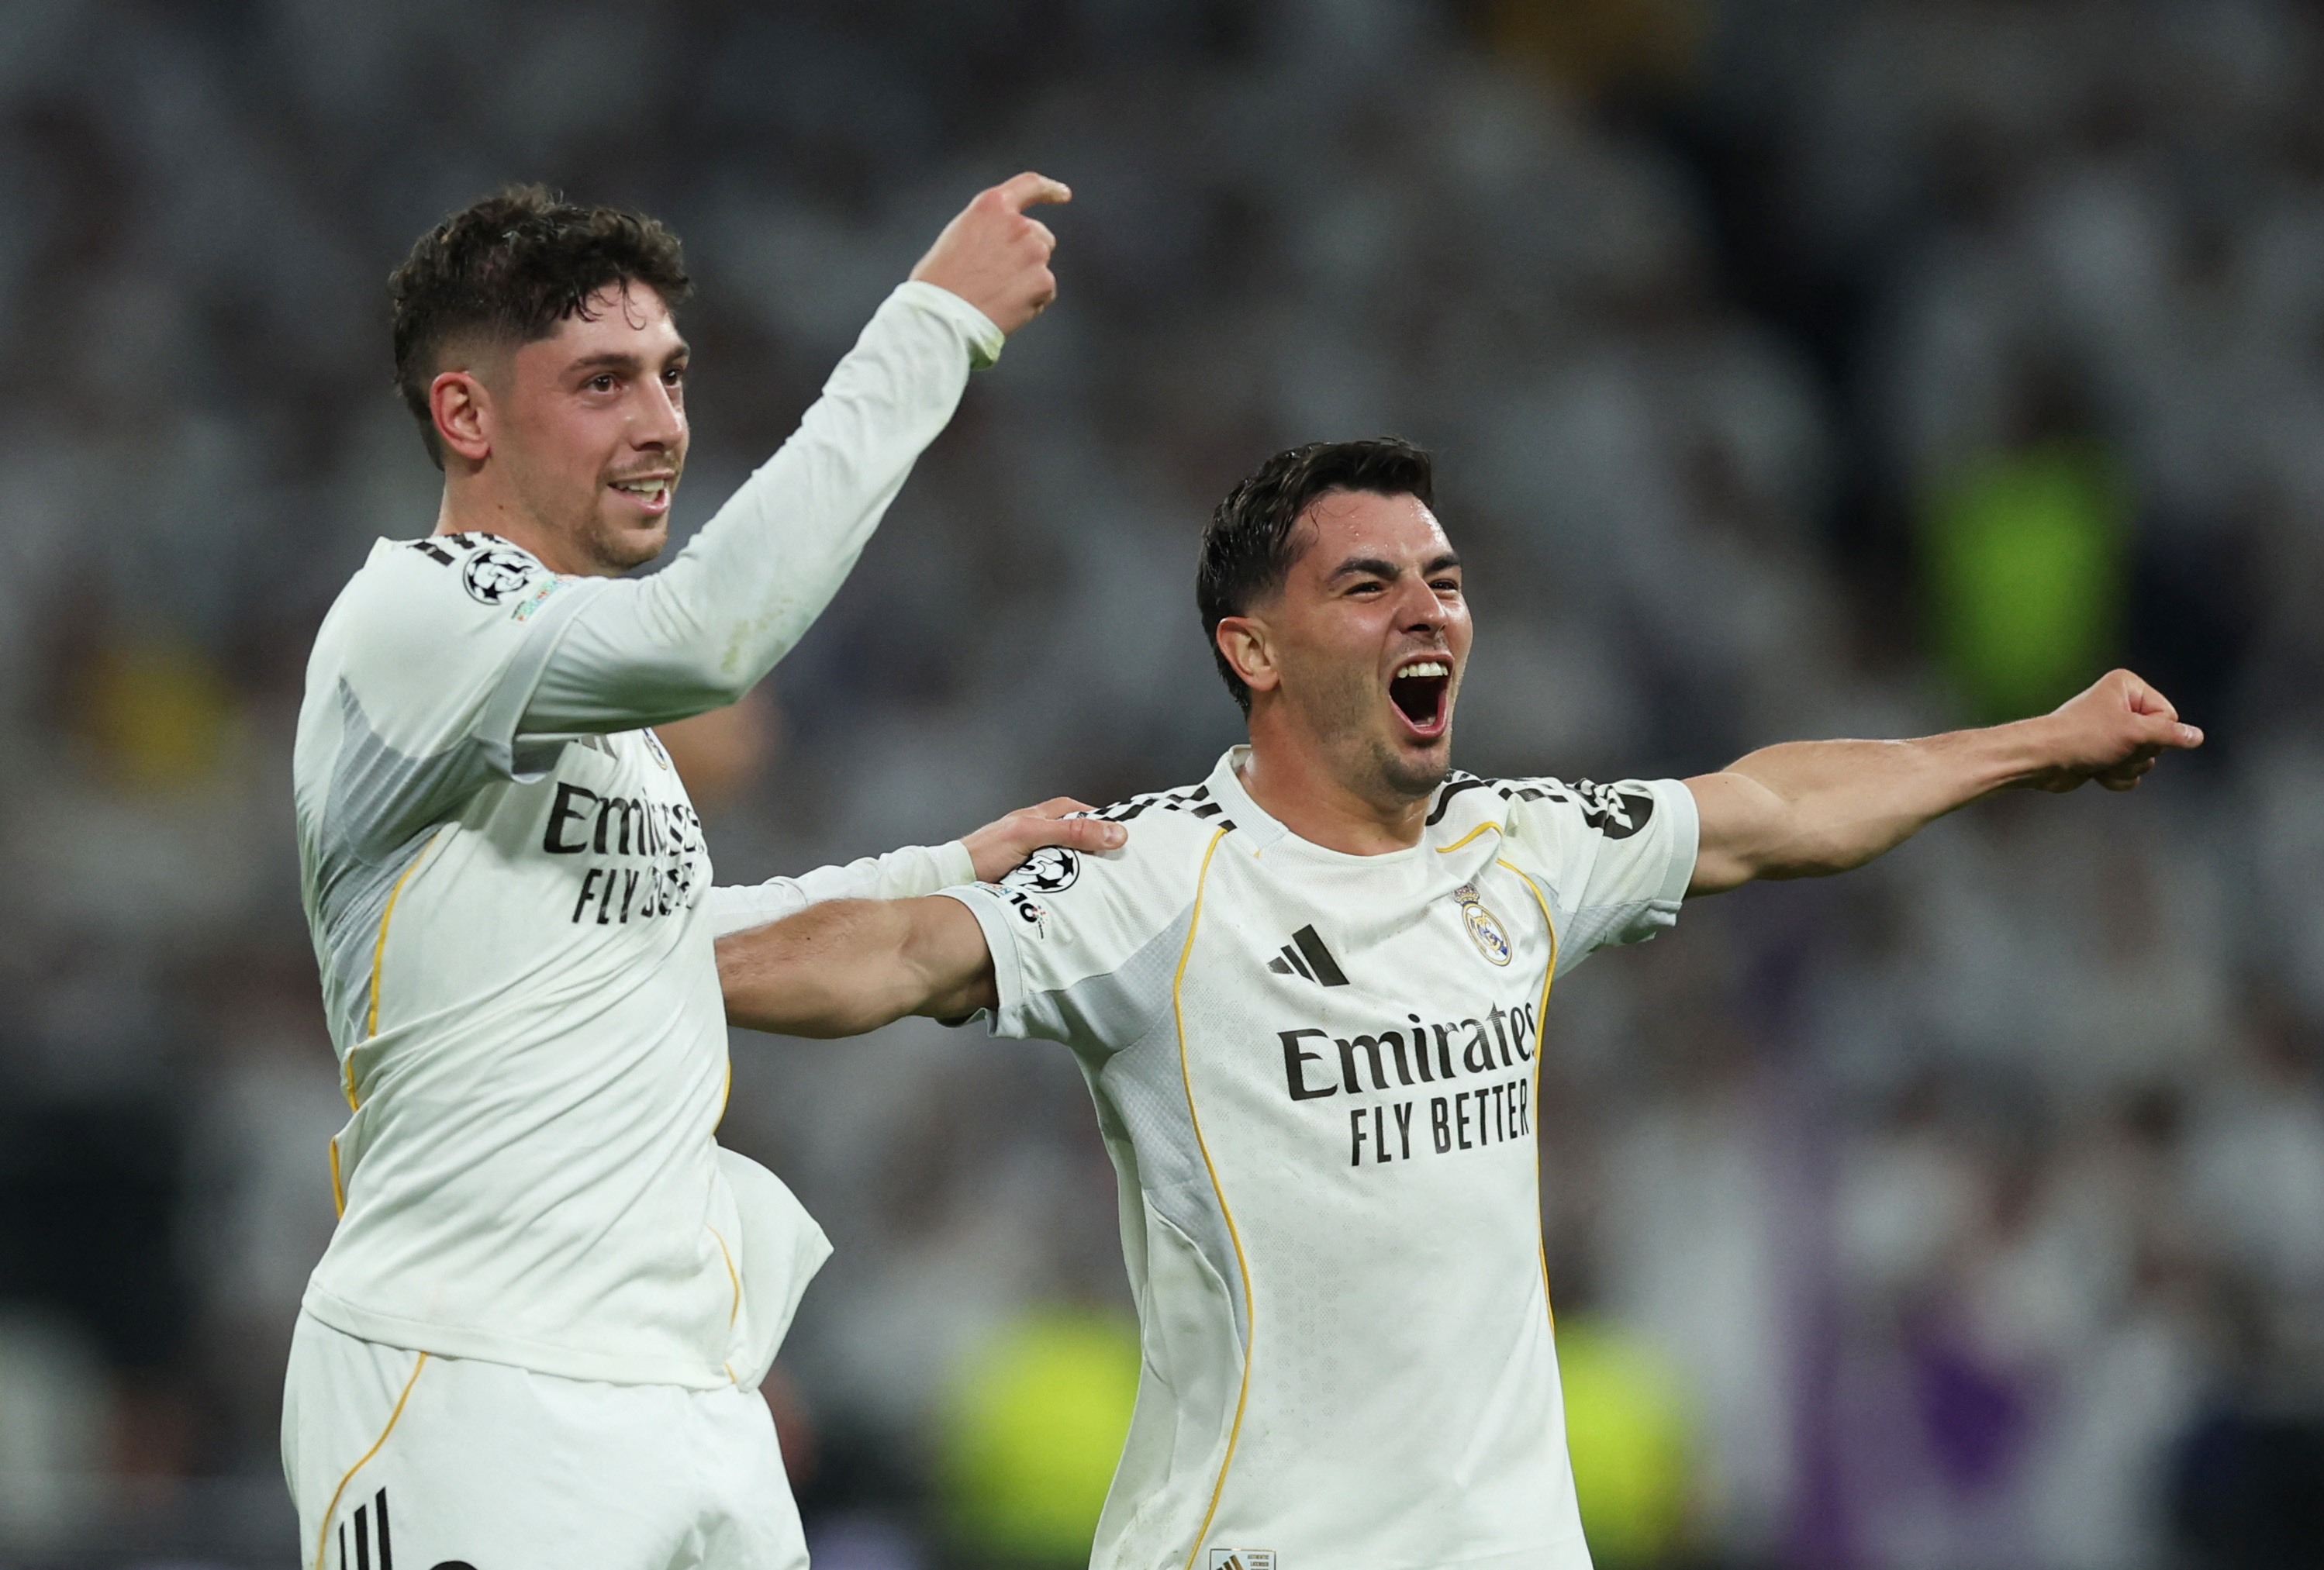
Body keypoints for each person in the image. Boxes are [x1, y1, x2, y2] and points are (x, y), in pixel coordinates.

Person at [716, 436, 2202, 1570]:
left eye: (1444, 578)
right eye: (1367, 583)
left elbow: (1768, 806)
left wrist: (2035, 744)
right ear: (1254, 649)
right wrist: (608, 981)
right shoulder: (1154, 879)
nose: (1427, 607)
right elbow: (898, 951)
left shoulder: (1523, 847)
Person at [285, 176, 1126, 1570]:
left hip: (687, 1393)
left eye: (672, 376)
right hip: (469, 1379)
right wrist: (931, 327)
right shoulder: (415, 616)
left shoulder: (593, 722)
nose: (663, 422)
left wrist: (943, 868)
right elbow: (715, 633)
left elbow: (661, 947)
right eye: (602, 381)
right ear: (467, 416)